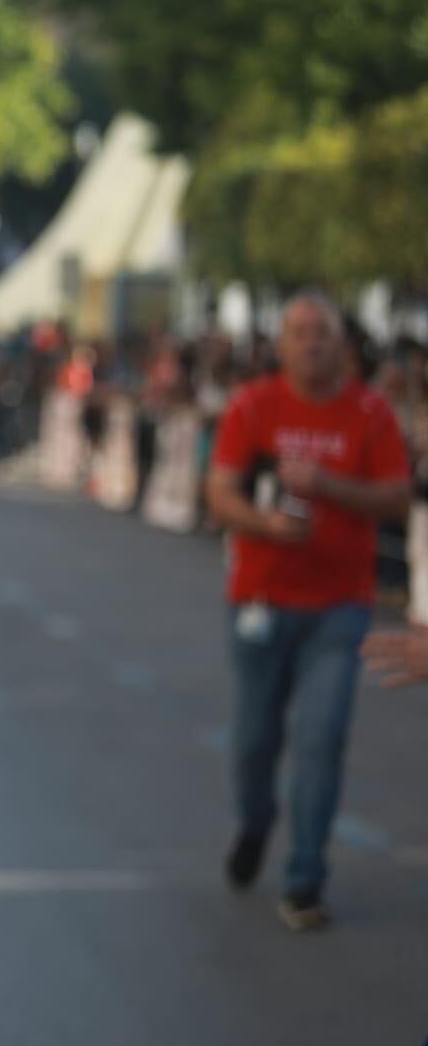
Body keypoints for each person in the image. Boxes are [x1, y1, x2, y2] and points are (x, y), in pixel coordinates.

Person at [203, 293, 413, 931]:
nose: (311, 344)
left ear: (340, 344)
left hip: (338, 607)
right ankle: (257, 821)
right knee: (253, 742)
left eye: (321, 332)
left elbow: (399, 499)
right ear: (282, 344)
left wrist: (329, 487)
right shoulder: (254, 405)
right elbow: (219, 492)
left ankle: (304, 878)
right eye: (298, 332)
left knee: (321, 739)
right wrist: (263, 523)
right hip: (260, 600)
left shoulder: (370, 413)